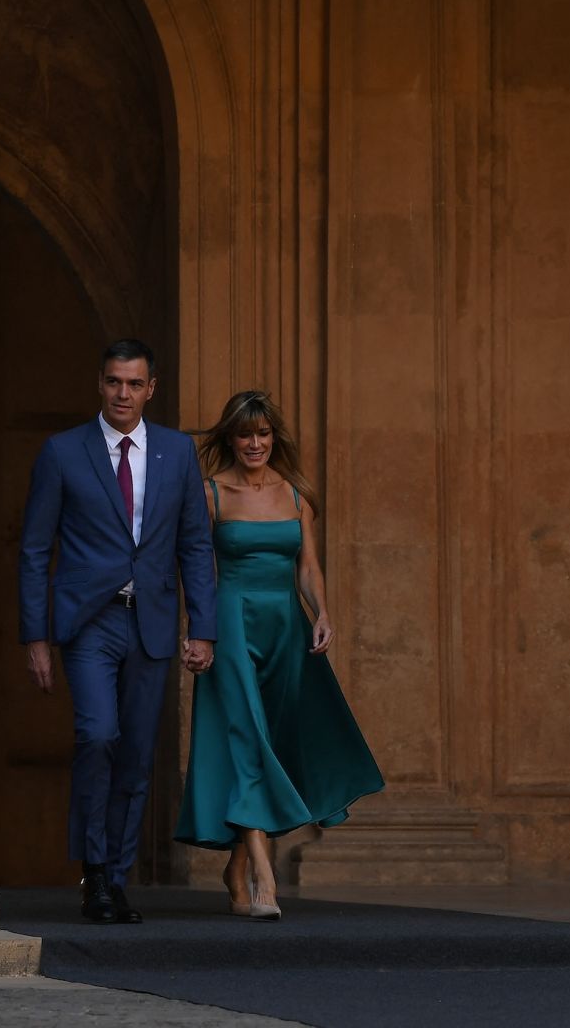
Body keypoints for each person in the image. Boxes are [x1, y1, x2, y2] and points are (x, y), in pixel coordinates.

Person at [19, 338, 217, 924]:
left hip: (152, 622)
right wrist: (37, 637)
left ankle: (116, 875)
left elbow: (195, 545)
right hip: (89, 622)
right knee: (97, 735)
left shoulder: (178, 454)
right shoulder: (62, 452)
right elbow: (34, 549)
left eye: (134, 384)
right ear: (99, 384)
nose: (122, 393)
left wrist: (201, 627)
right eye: (113, 382)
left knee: (135, 752)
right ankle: (95, 872)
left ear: (151, 388)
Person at [174, 391, 384, 920]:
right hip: (229, 623)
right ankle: (265, 875)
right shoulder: (210, 494)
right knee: (245, 740)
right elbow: (196, 570)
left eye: (263, 434)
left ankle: (237, 865)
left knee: (274, 743)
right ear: (230, 439)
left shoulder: (295, 495)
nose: (254, 443)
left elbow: (308, 567)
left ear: (275, 438)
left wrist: (324, 613)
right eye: (245, 434)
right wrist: (195, 631)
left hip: (285, 626)